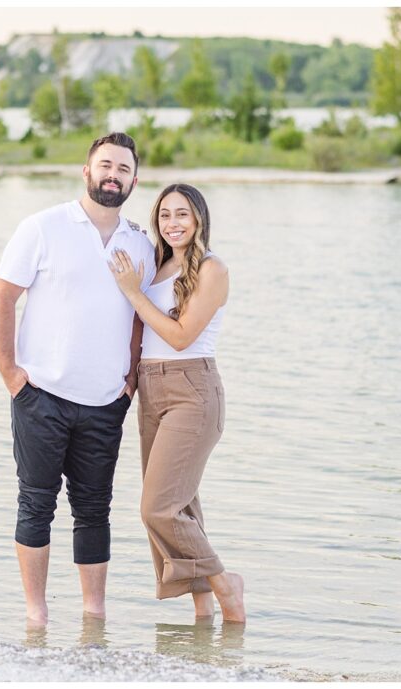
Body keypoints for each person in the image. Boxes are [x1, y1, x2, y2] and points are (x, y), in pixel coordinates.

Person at [0, 132, 156, 624]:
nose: (113, 175)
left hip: (106, 401)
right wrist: (12, 376)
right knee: (36, 505)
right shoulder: (43, 227)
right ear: (86, 171)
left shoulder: (140, 245)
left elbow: (141, 316)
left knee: (95, 510)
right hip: (41, 394)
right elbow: (3, 298)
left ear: (133, 181)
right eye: (105, 165)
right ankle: (36, 616)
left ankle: (93, 617)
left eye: (123, 169)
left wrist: (129, 381)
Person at [107, 183, 245, 623]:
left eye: (181, 214)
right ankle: (203, 614)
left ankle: (225, 582)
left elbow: (182, 337)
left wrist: (133, 292)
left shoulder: (211, 269)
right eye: (164, 215)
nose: (172, 223)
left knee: (157, 508)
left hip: (193, 389)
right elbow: (141, 330)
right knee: (180, 506)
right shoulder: (158, 266)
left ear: (199, 219)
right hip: (152, 388)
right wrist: (130, 376)